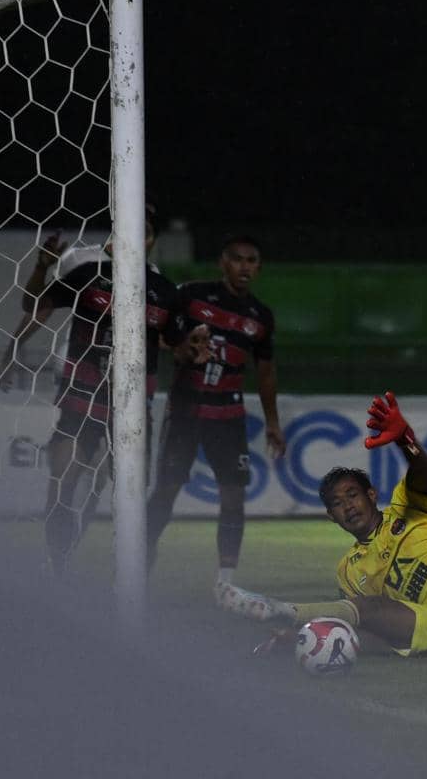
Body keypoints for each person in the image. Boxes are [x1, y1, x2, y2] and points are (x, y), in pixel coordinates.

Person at [217, 392, 427, 663]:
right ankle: (288, 619)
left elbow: (422, 468)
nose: (348, 506)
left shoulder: (407, 505)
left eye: (352, 495)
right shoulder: (348, 569)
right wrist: (300, 641)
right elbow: (365, 625)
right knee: (369, 608)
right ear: (331, 518)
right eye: (337, 504)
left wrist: (404, 440)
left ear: (371, 495)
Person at [0, 226, 205, 575]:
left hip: (133, 403)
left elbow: (175, 344)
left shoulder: (164, 291)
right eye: (132, 231)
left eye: (147, 233)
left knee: (130, 493)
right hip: (83, 388)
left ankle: (130, 570)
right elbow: (37, 306)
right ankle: (56, 560)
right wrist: (12, 350)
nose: (139, 239)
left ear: (152, 242)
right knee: (63, 479)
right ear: (117, 235)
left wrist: (192, 351)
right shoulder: (88, 272)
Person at [146, 236, 286, 592]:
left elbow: (266, 373)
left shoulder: (260, 317)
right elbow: (158, 333)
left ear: (259, 267)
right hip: (186, 412)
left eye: (251, 260)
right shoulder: (192, 295)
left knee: (234, 498)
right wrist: (181, 348)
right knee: (166, 491)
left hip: (228, 417)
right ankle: (139, 560)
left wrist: (273, 423)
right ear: (223, 262)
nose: (244, 267)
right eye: (237, 259)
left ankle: (225, 583)